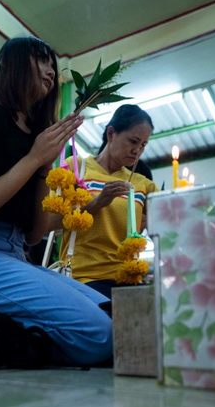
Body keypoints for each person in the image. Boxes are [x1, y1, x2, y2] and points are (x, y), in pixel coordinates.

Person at [0, 36, 113, 367]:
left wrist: (45, 168)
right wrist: (33, 159)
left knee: (114, 316)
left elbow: (33, 235)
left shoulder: (37, 136)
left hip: (14, 254)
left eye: (52, 66)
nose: (49, 71)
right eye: (41, 60)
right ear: (11, 63)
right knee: (101, 336)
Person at [55, 105, 158, 299]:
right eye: (133, 141)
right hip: (81, 278)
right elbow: (49, 224)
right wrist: (97, 203)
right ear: (111, 133)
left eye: (143, 145)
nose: (137, 151)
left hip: (127, 280)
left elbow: (166, 228)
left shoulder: (143, 184)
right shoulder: (76, 168)